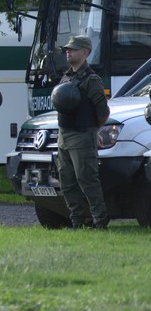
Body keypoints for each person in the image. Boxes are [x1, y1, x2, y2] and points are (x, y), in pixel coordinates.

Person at [54, 35, 110, 230]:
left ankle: (100, 221)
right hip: (64, 135)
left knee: (87, 180)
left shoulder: (91, 79)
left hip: (82, 134)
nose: (68, 52)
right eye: (67, 49)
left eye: (73, 49)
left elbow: (102, 111)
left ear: (85, 53)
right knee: (67, 181)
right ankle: (77, 221)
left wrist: (93, 131)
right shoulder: (66, 76)